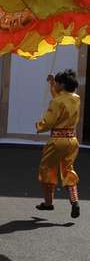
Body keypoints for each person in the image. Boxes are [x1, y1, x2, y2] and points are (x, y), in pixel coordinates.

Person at [36, 70, 81, 218]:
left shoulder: (57, 101)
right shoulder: (76, 98)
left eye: (57, 82)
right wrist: (52, 84)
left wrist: (40, 125)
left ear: (62, 84)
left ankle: (48, 203)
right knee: (68, 170)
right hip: (72, 140)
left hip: (57, 140)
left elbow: (50, 120)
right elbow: (62, 101)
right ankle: (74, 201)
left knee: (47, 169)